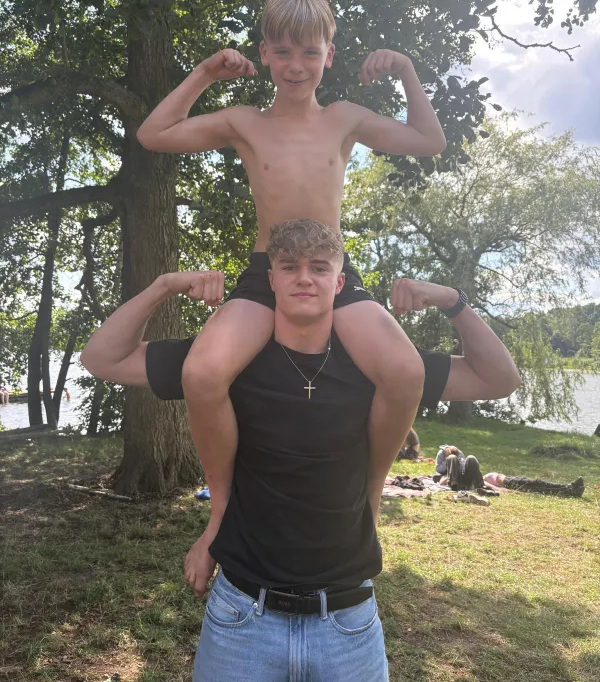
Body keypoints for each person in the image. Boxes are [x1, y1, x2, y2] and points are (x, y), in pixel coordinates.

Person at [81, 219, 520, 682]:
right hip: (242, 616)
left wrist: (453, 302)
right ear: (270, 280)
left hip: (347, 622)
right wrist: (164, 287)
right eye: (289, 267)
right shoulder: (230, 359)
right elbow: (102, 358)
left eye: (319, 267)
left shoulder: (378, 365)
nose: (304, 278)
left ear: (340, 282)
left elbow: (498, 378)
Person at [136, 0, 448, 593]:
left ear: (329, 55)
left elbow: (429, 141)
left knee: (405, 370)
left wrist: (408, 72)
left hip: (332, 273)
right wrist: (204, 74)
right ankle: (220, 511)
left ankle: (370, 498)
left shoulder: (345, 118)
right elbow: (155, 134)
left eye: (309, 52)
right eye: (282, 51)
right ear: (264, 54)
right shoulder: (244, 122)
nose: (296, 65)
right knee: (202, 373)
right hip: (266, 272)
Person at [484, 471, 585, 497]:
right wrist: (508, 491)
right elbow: (495, 488)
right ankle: (570, 489)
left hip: (510, 479)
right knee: (537, 485)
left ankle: (571, 487)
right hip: (509, 483)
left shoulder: (483, 476)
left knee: (537, 483)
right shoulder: (481, 481)